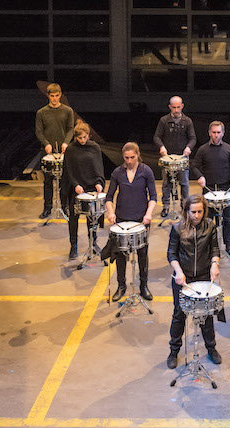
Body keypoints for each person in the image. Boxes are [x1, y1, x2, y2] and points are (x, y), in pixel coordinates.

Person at [166, 194, 221, 368]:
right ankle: (174, 351)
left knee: (206, 315)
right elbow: (171, 254)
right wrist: (178, 272)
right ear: (186, 211)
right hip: (184, 277)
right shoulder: (177, 228)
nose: (196, 215)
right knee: (179, 314)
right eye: (193, 212)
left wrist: (214, 264)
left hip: (203, 276)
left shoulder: (210, 226)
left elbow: (215, 249)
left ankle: (211, 348)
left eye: (199, 212)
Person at [104, 142, 157, 302]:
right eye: (126, 158)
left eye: (132, 157)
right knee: (120, 254)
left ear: (138, 155)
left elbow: (153, 196)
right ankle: (121, 286)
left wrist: (148, 214)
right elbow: (109, 197)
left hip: (141, 219)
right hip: (122, 219)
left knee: (142, 254)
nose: (129, 161)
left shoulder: (146, 171)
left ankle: (144, 286)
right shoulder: (117, 172)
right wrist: (111, 212)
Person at [191, 120, 230, 256]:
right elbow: (194, 166)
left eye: (218, 132)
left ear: (223, 133)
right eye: (213, 132)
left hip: (225, 190)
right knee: (207, 220)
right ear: (209, 133)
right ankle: (209, 246)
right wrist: (200, 176)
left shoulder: (228, 149)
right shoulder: (203, 150)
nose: (216, 135)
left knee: (227, 220)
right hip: (209, 190)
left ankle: (228, 245)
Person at [60, 120, 104, 260]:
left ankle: (93, 242)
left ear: (89, 135)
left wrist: (99, 183)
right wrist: (75, 185)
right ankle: (73, 245)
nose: (83, 140)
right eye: (80, 138)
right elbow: (68, 171)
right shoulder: (71, 149)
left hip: (91, 188)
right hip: (76, 189)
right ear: (75, 137)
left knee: (92, 218)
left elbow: (98, 168)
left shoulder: (94, 147)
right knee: (73, 219)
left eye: (85, 137)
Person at [153, 95, 196, 218]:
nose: (176, 110)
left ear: (182, 106)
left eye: (178, 107)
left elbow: (193, 138)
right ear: (169, 107)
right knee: (166, 183)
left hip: (182, 157)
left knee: (184, 183)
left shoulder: (187, 121)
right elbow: (157, 137)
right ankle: (166, 206)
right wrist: (161, 147)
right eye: (174, 107)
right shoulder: (164, 121)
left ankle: (185, 205)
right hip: (168, 157)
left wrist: (188, 147)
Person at [35, 82, 74, 219]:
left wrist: (66, 142)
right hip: (48, 152)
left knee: (64, 181)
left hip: (63, 152)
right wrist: (46, 144)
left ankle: (64, 207)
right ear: (48, 96)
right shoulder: (41, 112)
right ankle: (47, 208)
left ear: (60, 95)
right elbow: (39, 131)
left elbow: (70, 129)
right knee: (48, 181)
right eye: (52, 96)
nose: (55, 98)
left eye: (57, 96)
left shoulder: (67, 111)